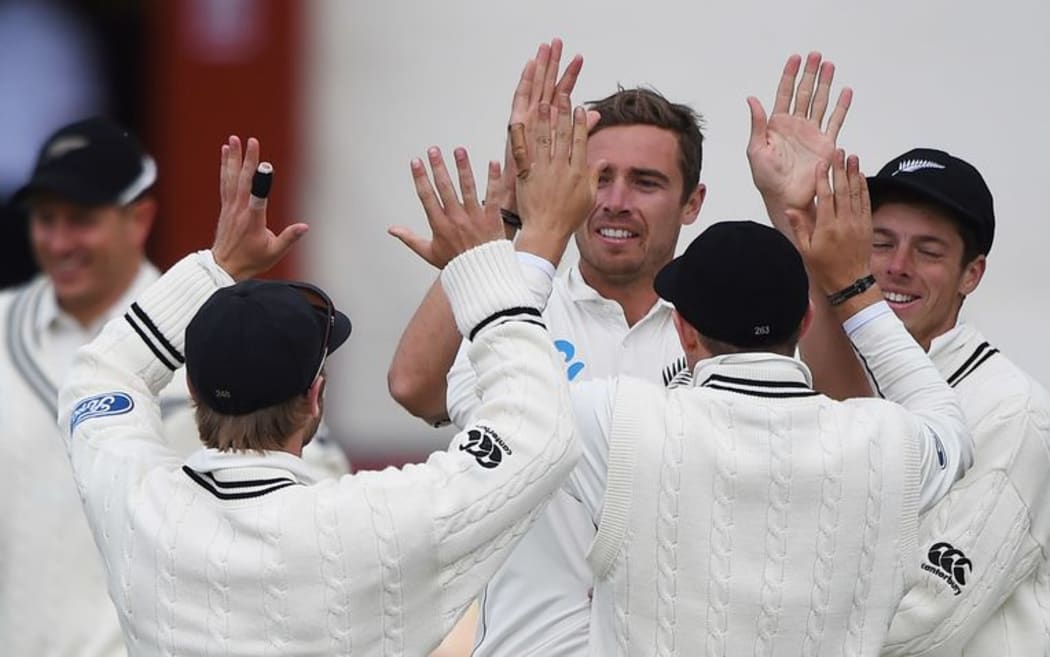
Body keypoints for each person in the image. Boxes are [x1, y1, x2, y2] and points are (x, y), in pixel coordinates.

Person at [57, 121, 593, 656]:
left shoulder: (135, 503)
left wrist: (217, 266)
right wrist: (484, 264)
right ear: (315, 397)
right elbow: (537, 436)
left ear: (192, 389)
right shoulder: (371, 525)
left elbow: (99, 376)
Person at [553, 151, 971, 655]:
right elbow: (946, 420)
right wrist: (857, 290)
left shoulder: (614, 418)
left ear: (683, 331)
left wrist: (528, 228)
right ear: (805, 323)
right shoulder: (887, 439)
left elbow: (512, 399)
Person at [387, 39, 720, 655]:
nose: (616, 201)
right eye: (598, 179)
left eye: (646, 182)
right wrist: (512, 216)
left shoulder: (725, 327)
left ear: (692, 202)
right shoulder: (523, 298)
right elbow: (414, 386)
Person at [747, 55, 1050, 656]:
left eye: (929, 250)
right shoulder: (821, 373)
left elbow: (926, 624)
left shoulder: (1013, 414)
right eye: (879, 242)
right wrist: (789, 210)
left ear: (973, 274)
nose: (897, 267)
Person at [0, 117, 200, 657]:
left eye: (81, 220)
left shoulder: (211, 342)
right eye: (45, 219)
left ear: (140, 218)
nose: (59, 242)